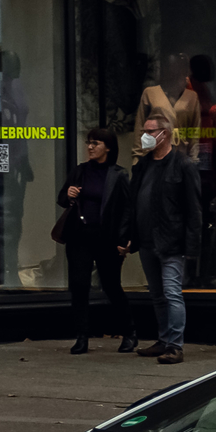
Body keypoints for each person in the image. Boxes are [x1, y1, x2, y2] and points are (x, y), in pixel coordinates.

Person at [129, 113, 200, 366]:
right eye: (143, 132)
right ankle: (163, 339)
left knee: (171, 293)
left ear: (165, 134)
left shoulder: (183, 165)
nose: (145, 137)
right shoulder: (142, 166)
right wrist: (129, 237)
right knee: (157, 294)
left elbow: (194, 210)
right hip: (147, 241)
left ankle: (175, 346)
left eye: (150, 132)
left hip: (171, 242)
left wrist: (191, 247)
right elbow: (133, 205)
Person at [60, 127, 137, 355]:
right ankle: (82, 336)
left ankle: (130, 333)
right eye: (89, 142)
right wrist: (69, 194)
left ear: (108, 147)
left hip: (107, 238)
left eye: (96, 143)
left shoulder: (119, 174)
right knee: (79, 286)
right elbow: (62, 198)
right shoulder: (80, 171)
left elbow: (127, 209)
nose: (91, 147)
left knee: (111, 286)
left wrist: (124, 238)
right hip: (80, 237)